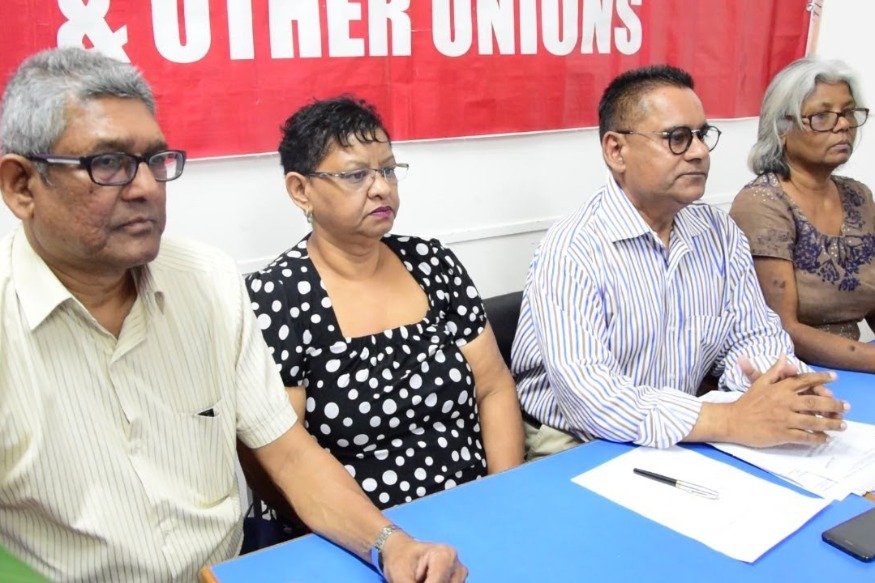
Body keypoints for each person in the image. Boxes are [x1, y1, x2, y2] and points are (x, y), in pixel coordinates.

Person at [0, 48, 465, 582]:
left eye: (155, 160)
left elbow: (288, 455)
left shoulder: (210, 282)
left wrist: (390, 545)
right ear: (21, 185)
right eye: (108, 163)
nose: (147, 187)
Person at [512, 64, 849, 459]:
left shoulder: (717, 232)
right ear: (616, 150)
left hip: (683, 425)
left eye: (702, 135)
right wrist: (731, 420)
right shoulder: (572, 249)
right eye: (677, 138)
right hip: (577, 440)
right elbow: (593, 399)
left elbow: (753, 335)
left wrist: (779, 387)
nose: (699, 152)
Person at [240, 96, 523, 530]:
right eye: (356, 175)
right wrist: (379, 542)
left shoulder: (433, 264)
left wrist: (504, 499)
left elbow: (494, 387)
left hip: (477, 506)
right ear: (300, 190)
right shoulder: (277, 297)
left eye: (388, 170)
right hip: (353, 534)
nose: (381, 188)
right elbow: (281, 456)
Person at [729, 58, 874, 372]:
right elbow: (784, 329)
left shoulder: (858, 196)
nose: (843, 125)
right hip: (793, 371)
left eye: (849, 112)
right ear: (782, 128)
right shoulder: (763, 203)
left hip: (857, 365)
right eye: (822, 116)